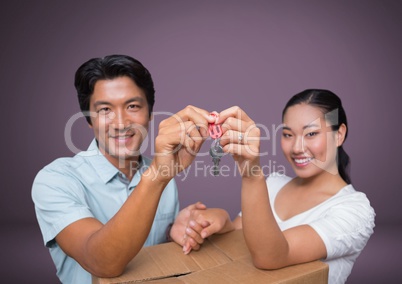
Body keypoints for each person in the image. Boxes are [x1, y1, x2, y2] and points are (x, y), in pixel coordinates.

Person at [31, 54, 234, 284]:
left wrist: (174, 231)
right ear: (89, 120)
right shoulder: (55, 180)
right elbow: (102, 262)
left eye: (133, 106)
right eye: (105, 109)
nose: (121, 123)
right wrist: (157, 176)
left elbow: (157, 256)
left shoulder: (161, 172)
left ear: (149, 114)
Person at [188, 90, 375, 284]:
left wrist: (251, 174)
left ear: (339, 135)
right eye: (288, 134)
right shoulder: (274, 183)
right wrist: (222, 221)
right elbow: (242, 233)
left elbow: (270, 256)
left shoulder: (355, 209)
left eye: (311, 133)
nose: (296, 147)